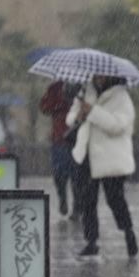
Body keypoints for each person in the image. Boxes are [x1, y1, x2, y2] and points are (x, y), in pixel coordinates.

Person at [68, 74, 138, 257]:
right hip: (87, 155)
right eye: (96, 75)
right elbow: (71, 118)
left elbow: (118, 125)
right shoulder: (85, 92)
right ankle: (91, 241)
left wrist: (93, 112)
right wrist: (79, 116)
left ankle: (128, 232)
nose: (98, 78)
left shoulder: (121, 97)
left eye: (102, 75)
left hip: (111, 158)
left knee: (115, 199)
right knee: (87, 201)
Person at [39, 80, 79, 216]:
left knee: (77, 175)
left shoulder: (83, 87)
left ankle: (77, 206)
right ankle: (62, 197)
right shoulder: (55, 88)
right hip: (60, 137)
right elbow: (44, 107)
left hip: (78, 138)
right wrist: (59, 103)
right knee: (59, 173)